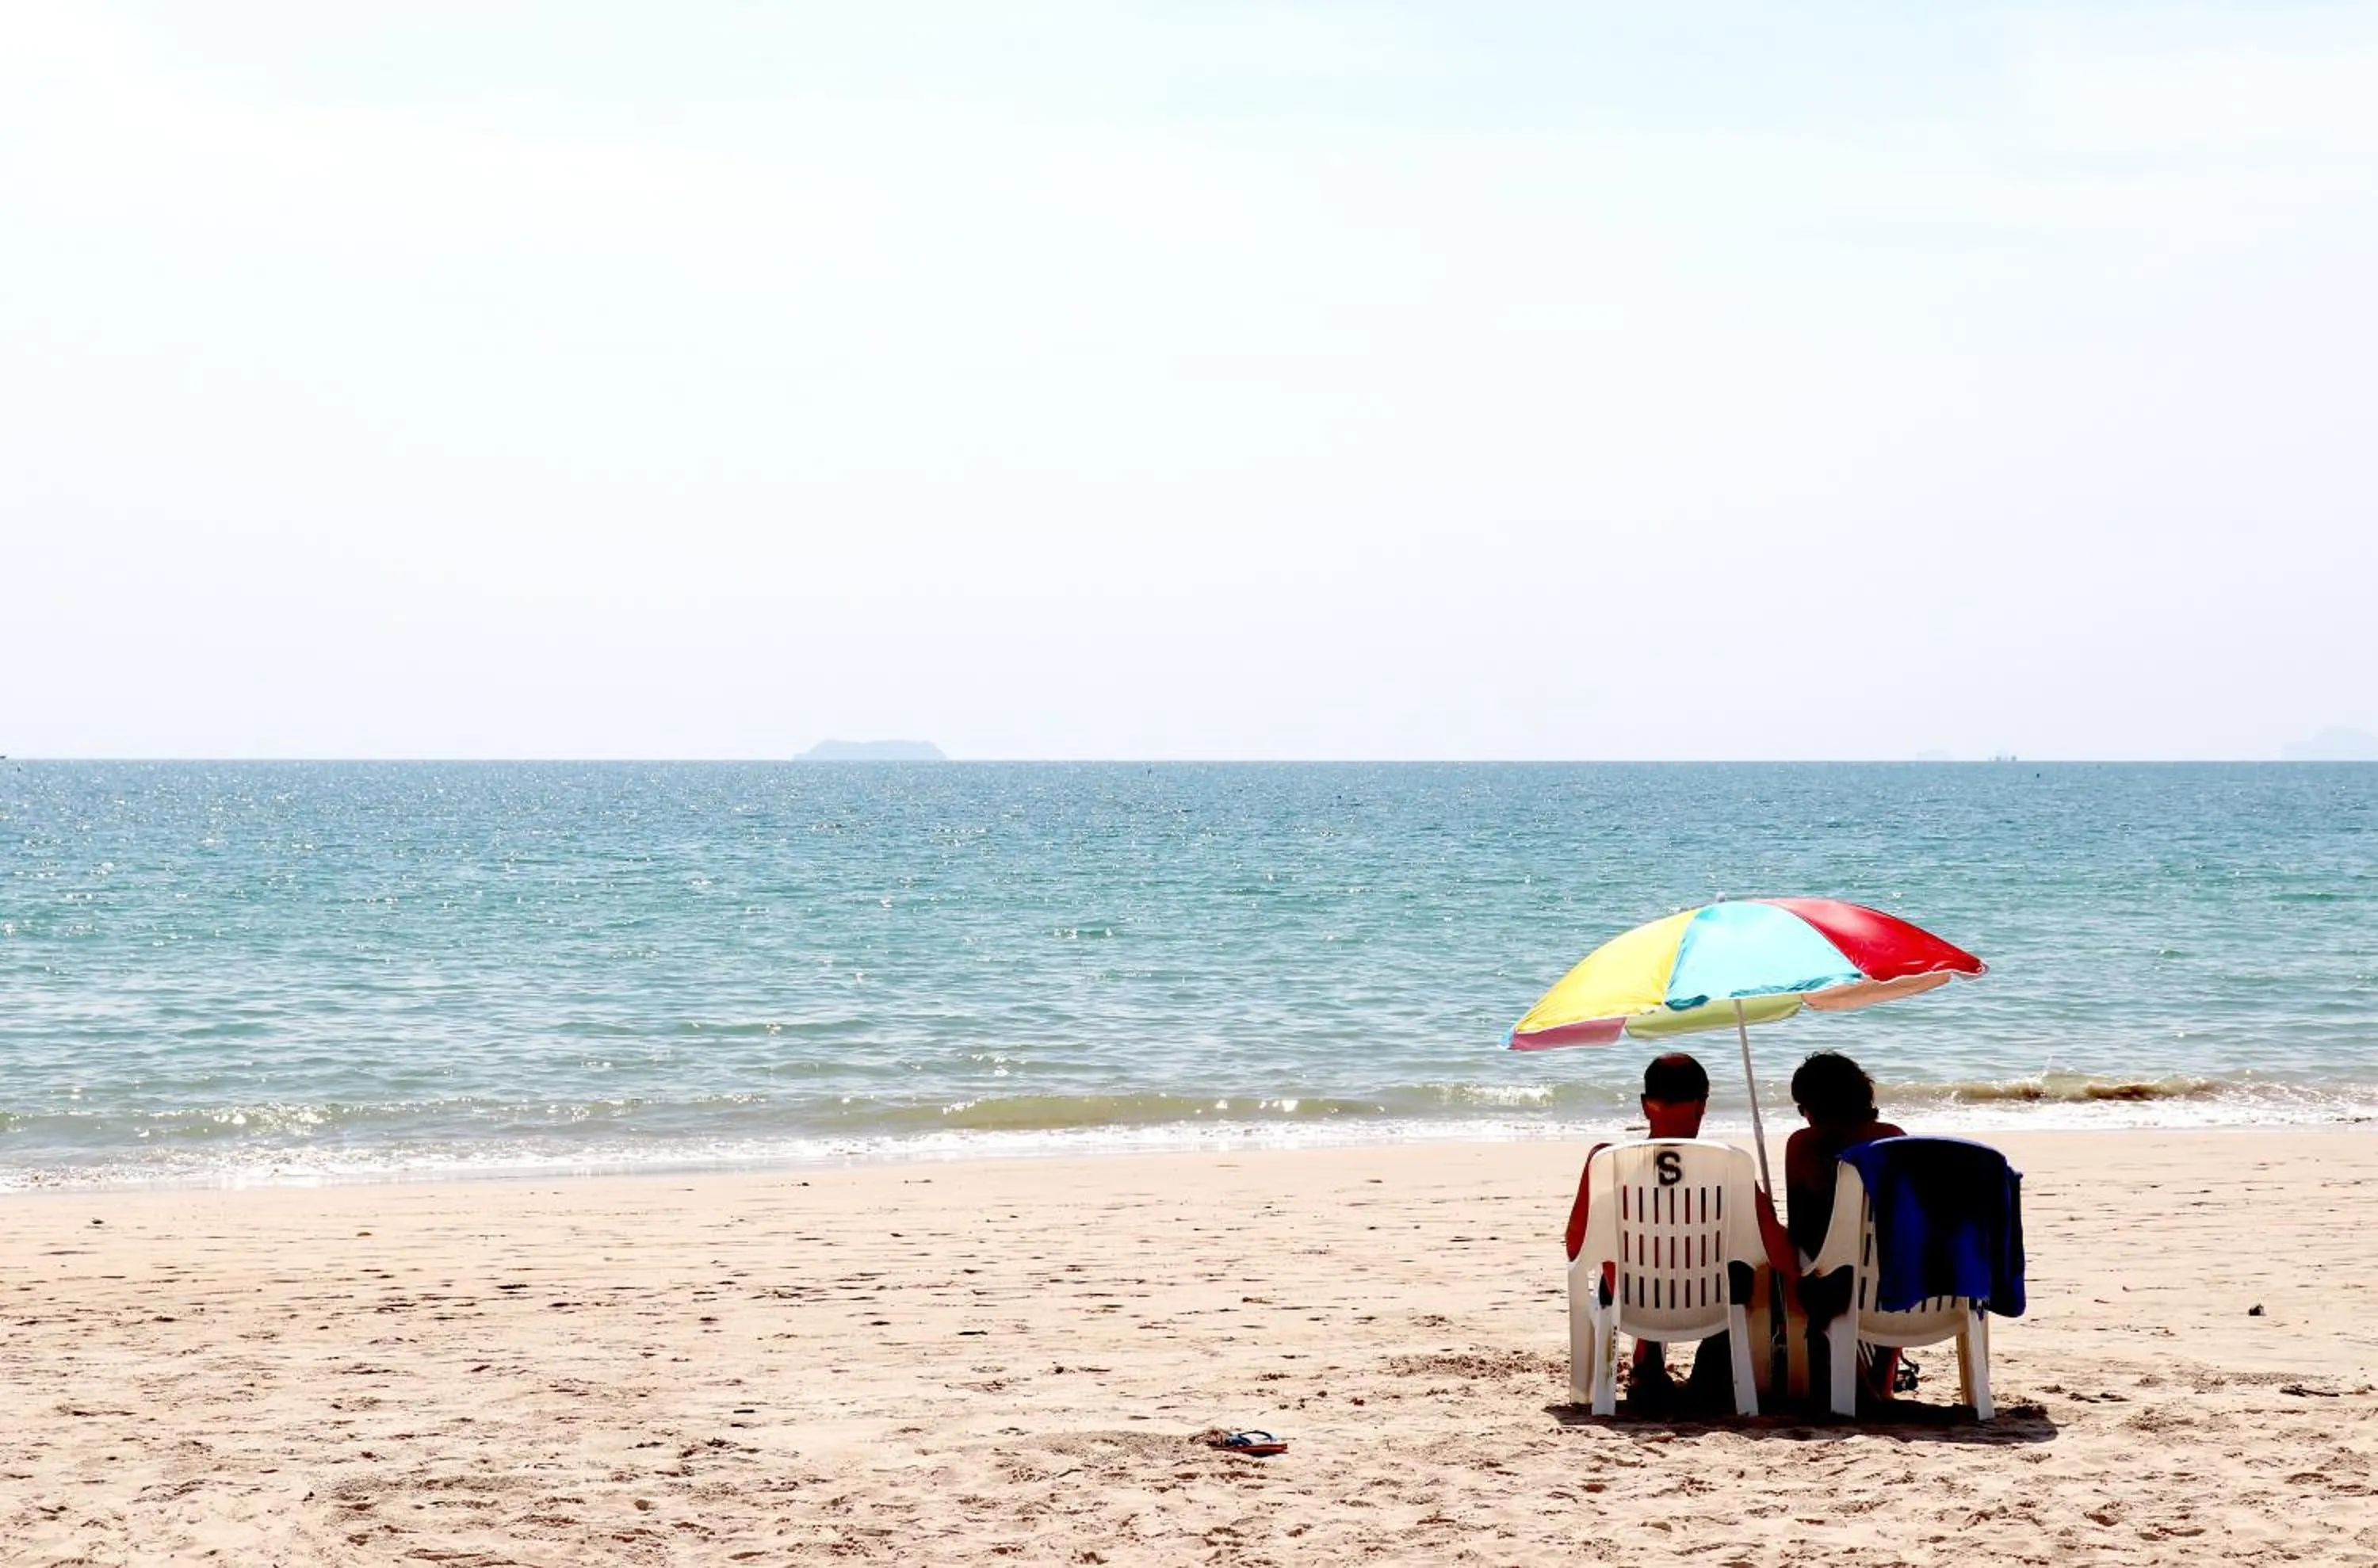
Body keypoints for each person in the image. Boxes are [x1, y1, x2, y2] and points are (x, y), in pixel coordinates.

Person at [1783, 1050, 1906, 1402]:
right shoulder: (1893, 1137)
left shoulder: (1804, 1146)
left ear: (1815, 1107)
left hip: (1833, 1284)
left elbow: (1800, 1228)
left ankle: (1839, 1361)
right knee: (1888, 1255)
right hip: (1894, 1282)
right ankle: (1882, 1374)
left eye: (1802, 1106)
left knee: (1806, 1262)